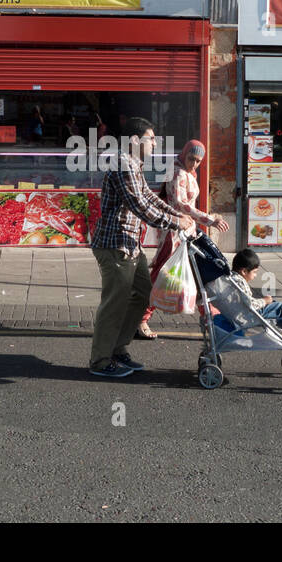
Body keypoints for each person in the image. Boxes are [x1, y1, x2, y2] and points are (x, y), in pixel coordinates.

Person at [88, 117, 194, 378]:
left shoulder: (134, 164)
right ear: (135, 141)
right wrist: (175, 221)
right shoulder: (123, 164)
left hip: (130, 243)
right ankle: (100, 360)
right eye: (151, 138)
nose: (156, 142)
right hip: (116, 244)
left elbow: (148, 196)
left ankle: (118, 349)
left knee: (145, 293)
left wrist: (178, 213)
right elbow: (140, 206)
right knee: (115, 303)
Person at [136, 139, 228, 339]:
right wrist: (208, 219)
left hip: (185, 233)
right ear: (184, 154)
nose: (194, 164)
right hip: (174, 234)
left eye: (198, 161)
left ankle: (211, 318)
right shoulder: (178, 172)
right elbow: (181, 204)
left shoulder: (185, 172)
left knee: (195, 274)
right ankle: (141, 318)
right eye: (191, 159)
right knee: (162, 276)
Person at [214, 249, 282, 347]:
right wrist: (265, 301)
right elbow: (251, 304)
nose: (256, 275)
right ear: (244, 271)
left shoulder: (229, 279)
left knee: (275, 307)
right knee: (281, 307)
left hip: (241, 313)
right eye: (254, 272)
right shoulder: (239, 283)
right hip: (249, 315)